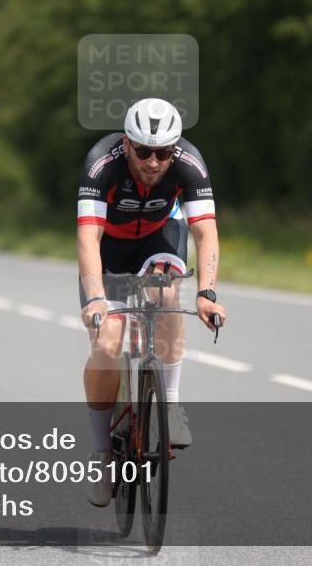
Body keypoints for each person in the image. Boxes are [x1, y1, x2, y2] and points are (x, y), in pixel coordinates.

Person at [77, 98, 228, 507]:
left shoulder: (189, 163)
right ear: (127, 144)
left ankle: (171, 406)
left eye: (163, 152)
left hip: (160, 238)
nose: (153, 161)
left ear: (175, 149)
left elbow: (205, 232)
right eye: (143, 151)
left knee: (166, 293)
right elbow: (89, 237)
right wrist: (94, 299)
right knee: (107, 344)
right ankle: (101, 452)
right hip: (108, 249)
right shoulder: (100, 164)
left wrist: (207, 293)